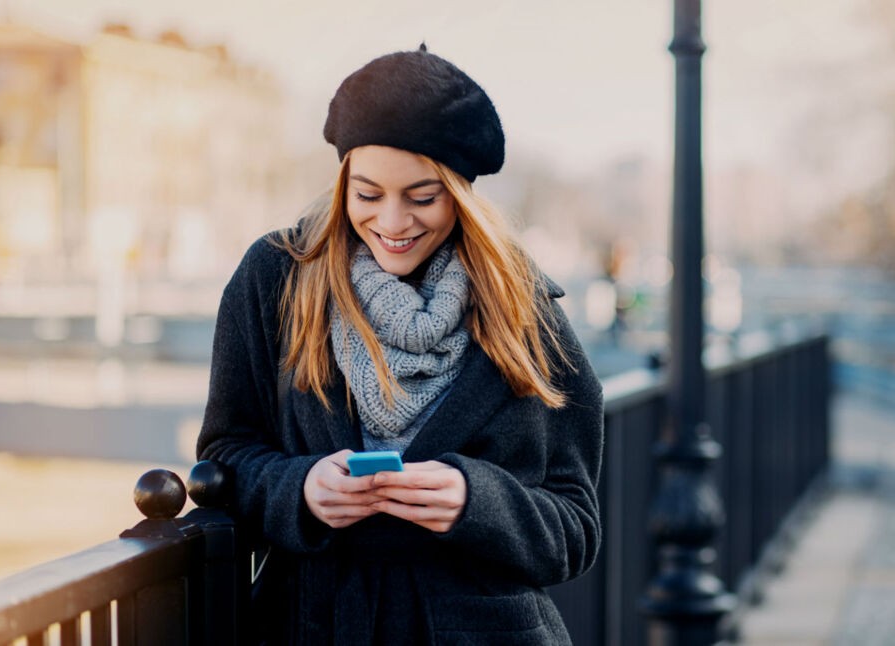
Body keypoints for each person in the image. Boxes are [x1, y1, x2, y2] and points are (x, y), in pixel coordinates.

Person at [196, 46, 604, 645]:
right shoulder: (274, 278)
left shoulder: (522, 306)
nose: (393, 222)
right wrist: (301, 489)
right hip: (312, 626)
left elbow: (576, 529)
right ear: (342, 184)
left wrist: (476, 502)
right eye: (367, 194)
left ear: (461, 192)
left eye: (422, 197)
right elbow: (224, 460)